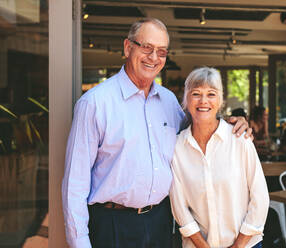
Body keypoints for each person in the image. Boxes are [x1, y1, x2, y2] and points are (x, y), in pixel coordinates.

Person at [62, 18, 250, 248]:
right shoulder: (95, 104)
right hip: (112, 226)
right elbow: (74, 185)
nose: (153, 57)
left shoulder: (169, 102)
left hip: (161, 223)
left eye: (161, 52)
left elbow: (200, 133)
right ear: (128, 47)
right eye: (146, 47)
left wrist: (232, 125)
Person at [170, 67, 269, 248]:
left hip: (246, 245)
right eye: (196, 94)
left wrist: (238, 245)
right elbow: (179, 208)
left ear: (220, 100)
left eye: (211, 94)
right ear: (186, 99)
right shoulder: (177, 147)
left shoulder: (240, 139)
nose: (203, 101)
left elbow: (260, 197)